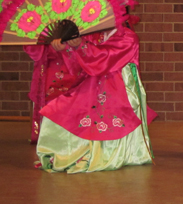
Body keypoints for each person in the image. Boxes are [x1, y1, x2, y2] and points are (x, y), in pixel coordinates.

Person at [35, 26, 156, 173]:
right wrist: (66, 48)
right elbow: (78, 65)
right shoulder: (92, 35)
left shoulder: (128, 37)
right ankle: (72, 154)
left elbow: (104, 59)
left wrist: (81, 45)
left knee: (106, 116)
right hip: (91, 84)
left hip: (118, 89)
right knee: (59, 111)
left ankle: (107, 155)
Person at [24, 43, 81, 143]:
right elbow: (33, 49)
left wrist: (70, 45)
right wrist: (49, 45)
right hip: (49, 67)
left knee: (74, 98)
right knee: (49, 99)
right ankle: (48, 133)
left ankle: (74, 132)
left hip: (74, 64)